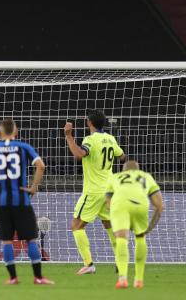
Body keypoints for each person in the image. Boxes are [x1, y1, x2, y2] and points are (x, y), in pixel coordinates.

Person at [0, 117, 54, 285]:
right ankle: (38, 277)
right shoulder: (24, 147)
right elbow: (41, 166)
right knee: (30, 239)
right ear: (15, 132)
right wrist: (33, 187)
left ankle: (13, 278)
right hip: (22, 200)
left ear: (0, 132)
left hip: (2, 202)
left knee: (7, 240)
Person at [64, 109, 126, 275]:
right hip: (110, 189)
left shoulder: (91, 140)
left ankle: (89, 264)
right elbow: (122, 156)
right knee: (109, 225)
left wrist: (69, 136)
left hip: (94, 190)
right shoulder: (110, 138)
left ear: (89, 123)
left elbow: (78, 154)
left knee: (76, 225)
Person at [107, 160, 163, 289]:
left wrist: (117, 217)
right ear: (138, 170)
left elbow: (108, 200)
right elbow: (159, 205)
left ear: (123, 170)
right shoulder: (146, 176)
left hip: (120, 205)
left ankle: (122, 279)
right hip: (140, 205)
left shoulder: (115, 177)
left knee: (121, 238)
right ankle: (139, 280)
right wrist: (150, 227)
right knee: (140, 237)